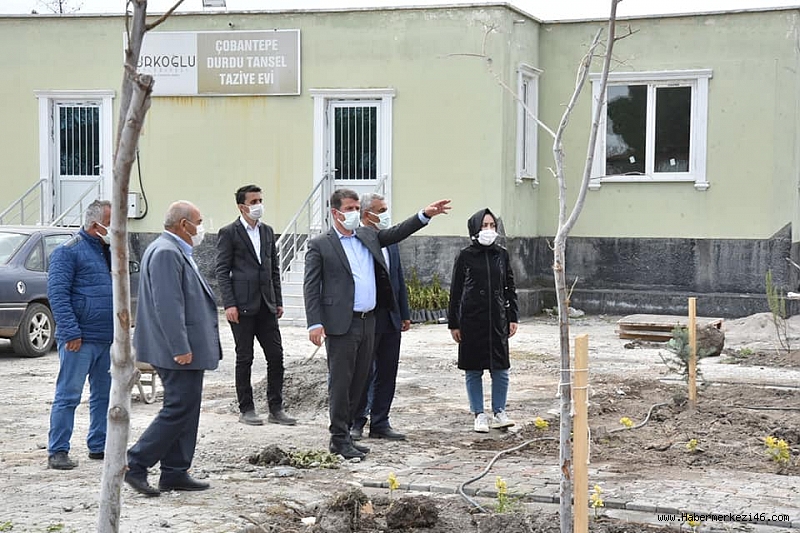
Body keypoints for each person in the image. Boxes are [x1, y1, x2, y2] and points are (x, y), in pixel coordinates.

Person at [303, 189, 450, 459]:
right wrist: (314, 323)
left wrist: (424, 215)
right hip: (341, 324)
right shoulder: (320, 245)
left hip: (368, 321)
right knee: (342, 383)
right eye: (349, 208)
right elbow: (311, 287)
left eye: (357, 208)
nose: (354, 213)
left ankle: (347, 435)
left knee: (360, 381)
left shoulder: (367, 236)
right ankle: (338, 438)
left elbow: (396, 233)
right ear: (335, 213)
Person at [125, 201, 222, 497]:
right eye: (199, 221)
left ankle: (175, 471)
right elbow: (168, 305)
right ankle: (136, 463)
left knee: (187, 408)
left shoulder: (175, 249)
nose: (201, 228)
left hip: (184, 348)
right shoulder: (166, 252)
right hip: (175, 350)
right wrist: (179, 346)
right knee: (179, 407)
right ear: (183, 224)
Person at [215, 184, 295, 426]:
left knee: (276, 356)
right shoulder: (229, 233)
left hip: (266, 305)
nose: (259, 205)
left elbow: (273, 268)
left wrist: (277, 300)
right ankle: (246, 408)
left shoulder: (267, 231)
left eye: (260, 200)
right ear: (242, 207)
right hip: (241, 307)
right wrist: (229, 304)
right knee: (245, 357)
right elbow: (222, 271)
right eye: (253, 202)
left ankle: (276, 408)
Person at [46, 200, 113, 470]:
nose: (117, 227)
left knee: (103, 396)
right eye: (111, 222)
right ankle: (58, 450)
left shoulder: (110, 250)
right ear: (96, 224)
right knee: (68, 395)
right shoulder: (68, 251)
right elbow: (58, 294)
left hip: (107, 337)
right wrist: (71, 331)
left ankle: (99, 445)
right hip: (79, 339)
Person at [448, 208, 519, 433]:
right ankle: (479, 414)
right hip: (471, 319)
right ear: (475, 229)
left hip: (497, 319)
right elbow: (456, 291)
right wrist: (454, 323)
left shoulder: (501, 254)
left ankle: (500, 411)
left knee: (501, 368)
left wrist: (512, 317)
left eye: (492, 226)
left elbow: (509, 287)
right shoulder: (465, 256)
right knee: (473, 369)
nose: (489, 230)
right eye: (484, 226)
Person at [350, 193, 410, 442]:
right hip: (368, 317)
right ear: (367, 214)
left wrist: (404, 313)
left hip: (390, 317)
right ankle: (356, 421)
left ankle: (380, 421)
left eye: (386, 209)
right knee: (363, 372)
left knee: (387, 371)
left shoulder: (390, 241)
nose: (386, 214)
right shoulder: (357, 240)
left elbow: (398, 277)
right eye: (381, 210)